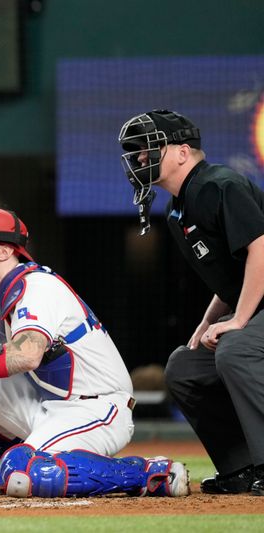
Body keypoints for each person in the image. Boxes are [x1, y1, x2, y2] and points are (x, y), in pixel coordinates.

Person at [0, 206, 189, 498]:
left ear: (4, 251)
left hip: (98, 407)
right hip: (49, 402)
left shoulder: (36, 286)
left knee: (25, 473)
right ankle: (6, 463)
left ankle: (151, 473)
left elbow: (26, 355)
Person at [119, 109, 264, 496]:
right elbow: (230, 279)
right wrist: (205, 325)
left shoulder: (220, 185)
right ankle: (243, 468)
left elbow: (261, 249)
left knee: (235, 348)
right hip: (255, 309)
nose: (141, 160)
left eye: (151, 151)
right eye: (138, 155)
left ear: (183, 152)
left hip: (259, 311)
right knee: (184, 366)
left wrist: (239, 321)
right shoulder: (176, 209)